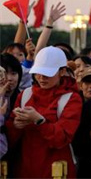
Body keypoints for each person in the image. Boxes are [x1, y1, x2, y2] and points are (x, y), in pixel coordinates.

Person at [6, 46, 83, 178]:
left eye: (48, 74)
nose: (41, 78)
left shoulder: (71, 98)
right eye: (38, 73)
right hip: (25, 170)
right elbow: (8, 138)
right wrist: (16, 126)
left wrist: (39, 121)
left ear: (62, 71)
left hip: (57, 171)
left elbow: (61, 138)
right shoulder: (25, 94)